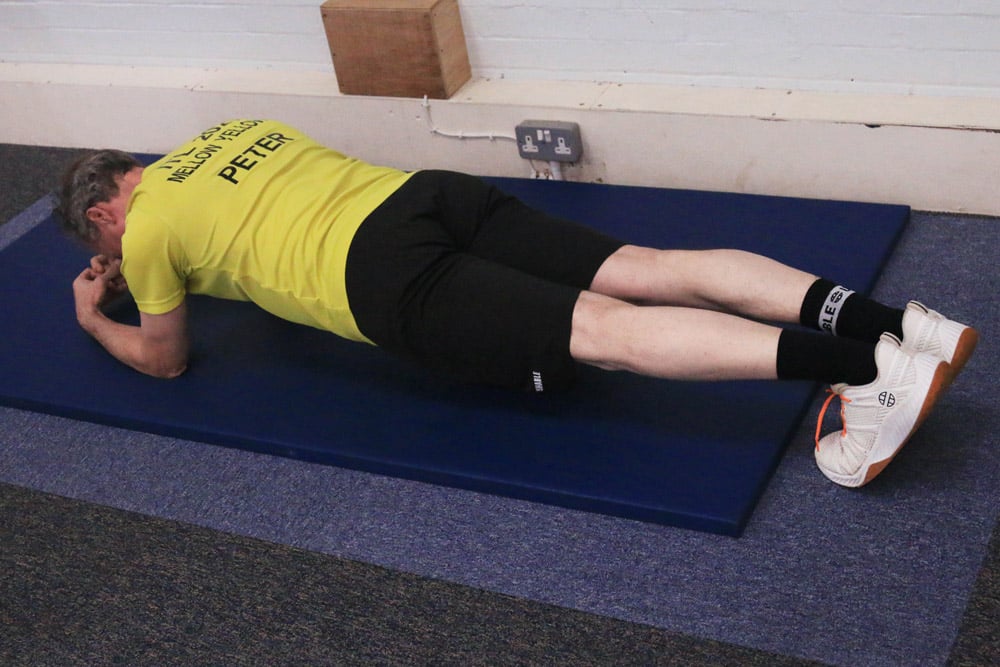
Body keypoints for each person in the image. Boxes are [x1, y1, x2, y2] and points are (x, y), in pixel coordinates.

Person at [57, 119, 977, 488]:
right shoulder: (226, 134)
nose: (115, 256)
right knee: (650, 266)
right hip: (426, 196)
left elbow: (166, 358)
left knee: (609, 335)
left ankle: (871, 373)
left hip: (383, 271)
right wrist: (153, 265)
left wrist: (95, 315)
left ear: (104, 214)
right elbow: (240, 234)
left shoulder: (147, 232)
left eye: (104, 244)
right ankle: (901, 325)